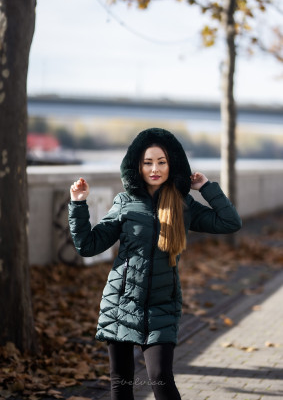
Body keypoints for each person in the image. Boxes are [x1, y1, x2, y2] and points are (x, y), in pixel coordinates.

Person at [68, 127, 242, 400]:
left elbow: (230, 222)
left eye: (161, 162)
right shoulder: (124, 203)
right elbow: (87, 246)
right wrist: (78, 204)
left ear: (171, 164)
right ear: (137, 165)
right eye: (148, 162)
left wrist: (207, 188)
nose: (155, 169)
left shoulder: (183, 205)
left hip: (163, 306)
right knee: (121, 385)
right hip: (120, 303)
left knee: (161, 379)